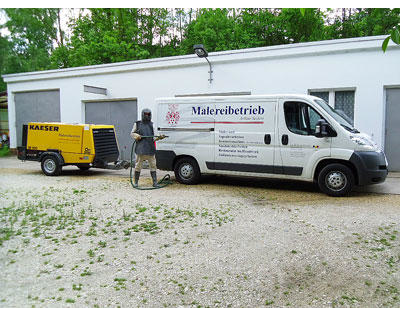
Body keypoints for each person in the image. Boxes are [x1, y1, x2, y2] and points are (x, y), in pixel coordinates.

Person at [130, 108, 160, 188]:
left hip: (150, 148)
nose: (147, 116)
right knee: (138, 166)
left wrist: (159, 138)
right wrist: (137, 136)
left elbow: (154, 136)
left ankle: (155, 183)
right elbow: (132, 133)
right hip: (141, 148)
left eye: (148, 114)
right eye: (145, 114)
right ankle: (136, 182)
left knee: (153, 165)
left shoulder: (152, 124)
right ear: (143, 114)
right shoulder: (137, 124)